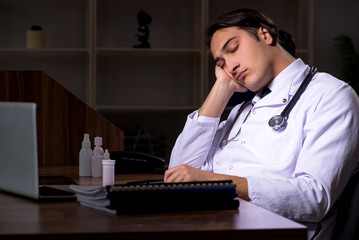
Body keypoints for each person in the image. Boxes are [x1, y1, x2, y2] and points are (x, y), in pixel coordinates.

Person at [164, 8, 359, 240]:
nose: (230, 67)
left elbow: (314, 198)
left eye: (233, 49)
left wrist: (215, 182)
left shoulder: (331, 95)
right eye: (221, 63)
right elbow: (179, 173)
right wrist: (221, 89)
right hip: (214, 225)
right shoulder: (242, 110)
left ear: (265, 35)